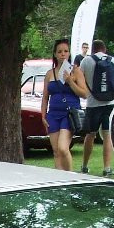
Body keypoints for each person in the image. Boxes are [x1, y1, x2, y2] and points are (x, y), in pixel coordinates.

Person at [43, 38, 87, 171]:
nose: (63, 54)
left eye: (66, 51)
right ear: (55, 54)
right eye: (60, 51)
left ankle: (70, 175)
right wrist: (43, 115)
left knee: (63, 148)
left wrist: (70, 81)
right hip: (53, 114)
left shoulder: (76, 70)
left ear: (69, 54)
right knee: (56, 151)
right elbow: (45, 97)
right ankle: (59, 179)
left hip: (69, 113)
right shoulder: (50, 73)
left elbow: (84, 93)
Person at [79, 39, 114, 176]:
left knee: (90, 135)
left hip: (93, 104)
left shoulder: (86, 61)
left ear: (92, 49)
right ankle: (107, 168)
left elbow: (79, 79)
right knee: (107, 135)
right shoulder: (112, 60)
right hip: (109, 103)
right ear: (104, 48)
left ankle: (84, 166)